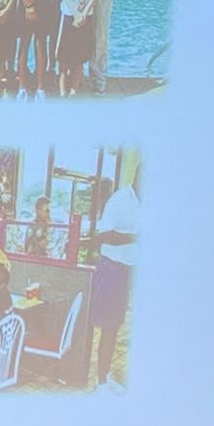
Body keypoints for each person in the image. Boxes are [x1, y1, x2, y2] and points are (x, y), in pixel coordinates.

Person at [91, 165, 139, 387]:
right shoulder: (120, 200)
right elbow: (103, 234)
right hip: (112, 271)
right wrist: (136, 237)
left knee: (118, 326)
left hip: (130, 270)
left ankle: (106, 375)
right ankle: (101, 382)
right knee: (109, 328)